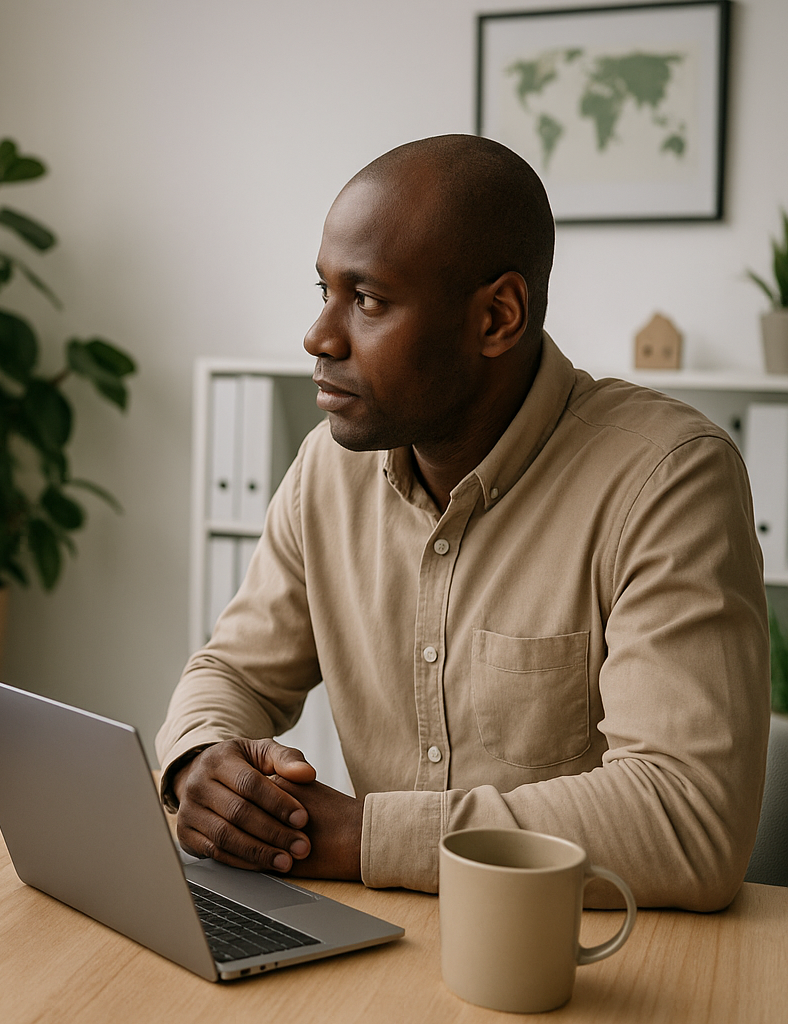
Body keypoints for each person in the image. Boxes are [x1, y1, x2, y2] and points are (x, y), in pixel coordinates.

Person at [156, 134, 769, 912]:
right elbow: (232, 673)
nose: (319, 338)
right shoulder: (327, 467)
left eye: (368, 300)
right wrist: (205, 767)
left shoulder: (668, 479)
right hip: (389, 939)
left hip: (583, 962)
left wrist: (354, 837)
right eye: (324, 292)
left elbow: (689, 820)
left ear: (496, 318)